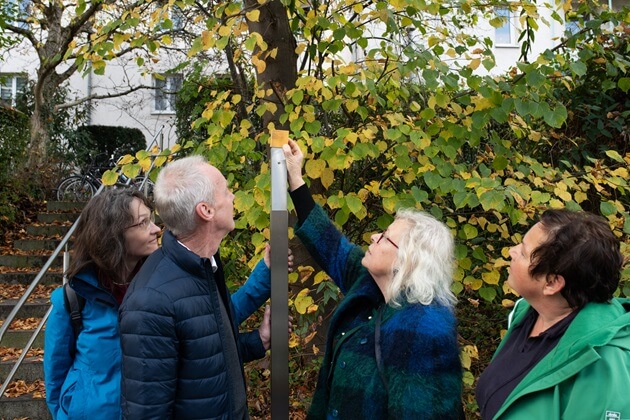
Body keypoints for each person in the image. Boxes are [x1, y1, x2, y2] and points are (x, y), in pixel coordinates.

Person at [44, 188, 279, 419]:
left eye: (153, 220)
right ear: (113, 234)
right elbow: (55, 378)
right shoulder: (73, 300)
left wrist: (265, 273)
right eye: (144, 223)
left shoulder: (162, 284)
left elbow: (214, 321)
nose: (157, 229)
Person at [282, 139, 463, 418]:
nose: (373, 237)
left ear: (406, 261)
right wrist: (296, 180)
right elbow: (331, 246)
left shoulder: (425, 329)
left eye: (385, 237)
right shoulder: (372, 285)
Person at [119, 155, 272, 418]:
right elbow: (147, 413)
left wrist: (259, 341)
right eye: (225, 191)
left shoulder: (203, 266)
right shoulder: (150, 301)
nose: (234, 197)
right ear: (206, 211)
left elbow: (205, 357)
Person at [476, 209, 630, 419]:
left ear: (551, 283)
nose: (511, 251)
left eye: (523, 252)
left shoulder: (604, 360)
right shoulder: (527, 313)